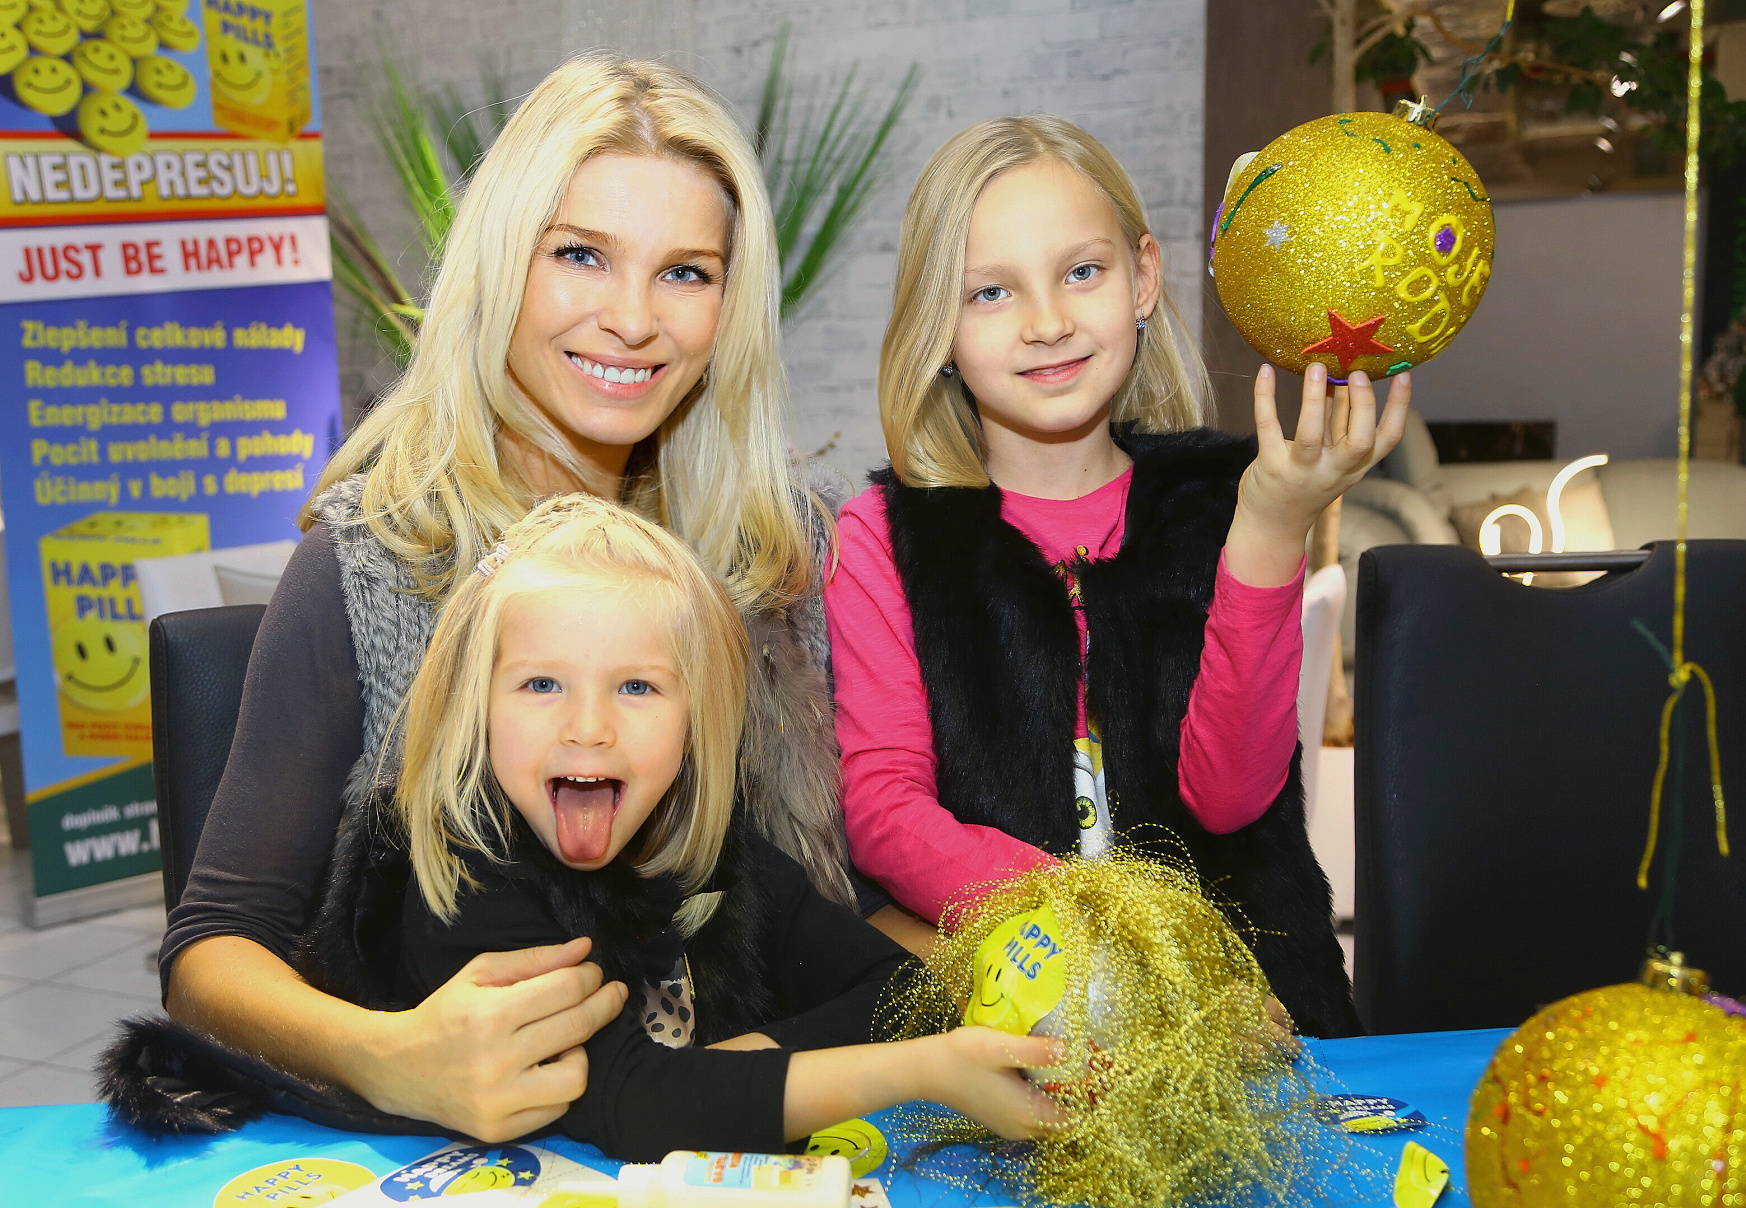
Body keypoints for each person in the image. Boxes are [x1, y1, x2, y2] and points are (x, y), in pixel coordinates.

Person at [157, 53, 859, 1143]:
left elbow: (844, 902)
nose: (634, 319)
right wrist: (392, 1056)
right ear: (500, 264)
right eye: (581, 254)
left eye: (685, 272)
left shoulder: (781, 552)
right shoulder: (374, 561)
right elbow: (211, 950)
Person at [825, 116, 1408, 1038]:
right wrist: (1116, 935)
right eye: (989, 291)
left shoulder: (1232, 500)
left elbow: (1230, 798)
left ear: (1142, 279)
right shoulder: (882, 538)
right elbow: (886, 811)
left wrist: (1269, 529)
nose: (1047, 321)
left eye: (1082, 272)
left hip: (1254, 1013)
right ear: (938, 326)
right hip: (1022, 1028)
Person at [381, 495, 1059, 1158]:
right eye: (541, 685)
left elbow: (901, 994)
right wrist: (917, 1071)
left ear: (696, 720)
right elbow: (633, 1106)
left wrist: (720, 1078)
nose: (588, 728)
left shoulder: (719, 859)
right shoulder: (468, 874)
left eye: (637, 687)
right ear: (477, 706)